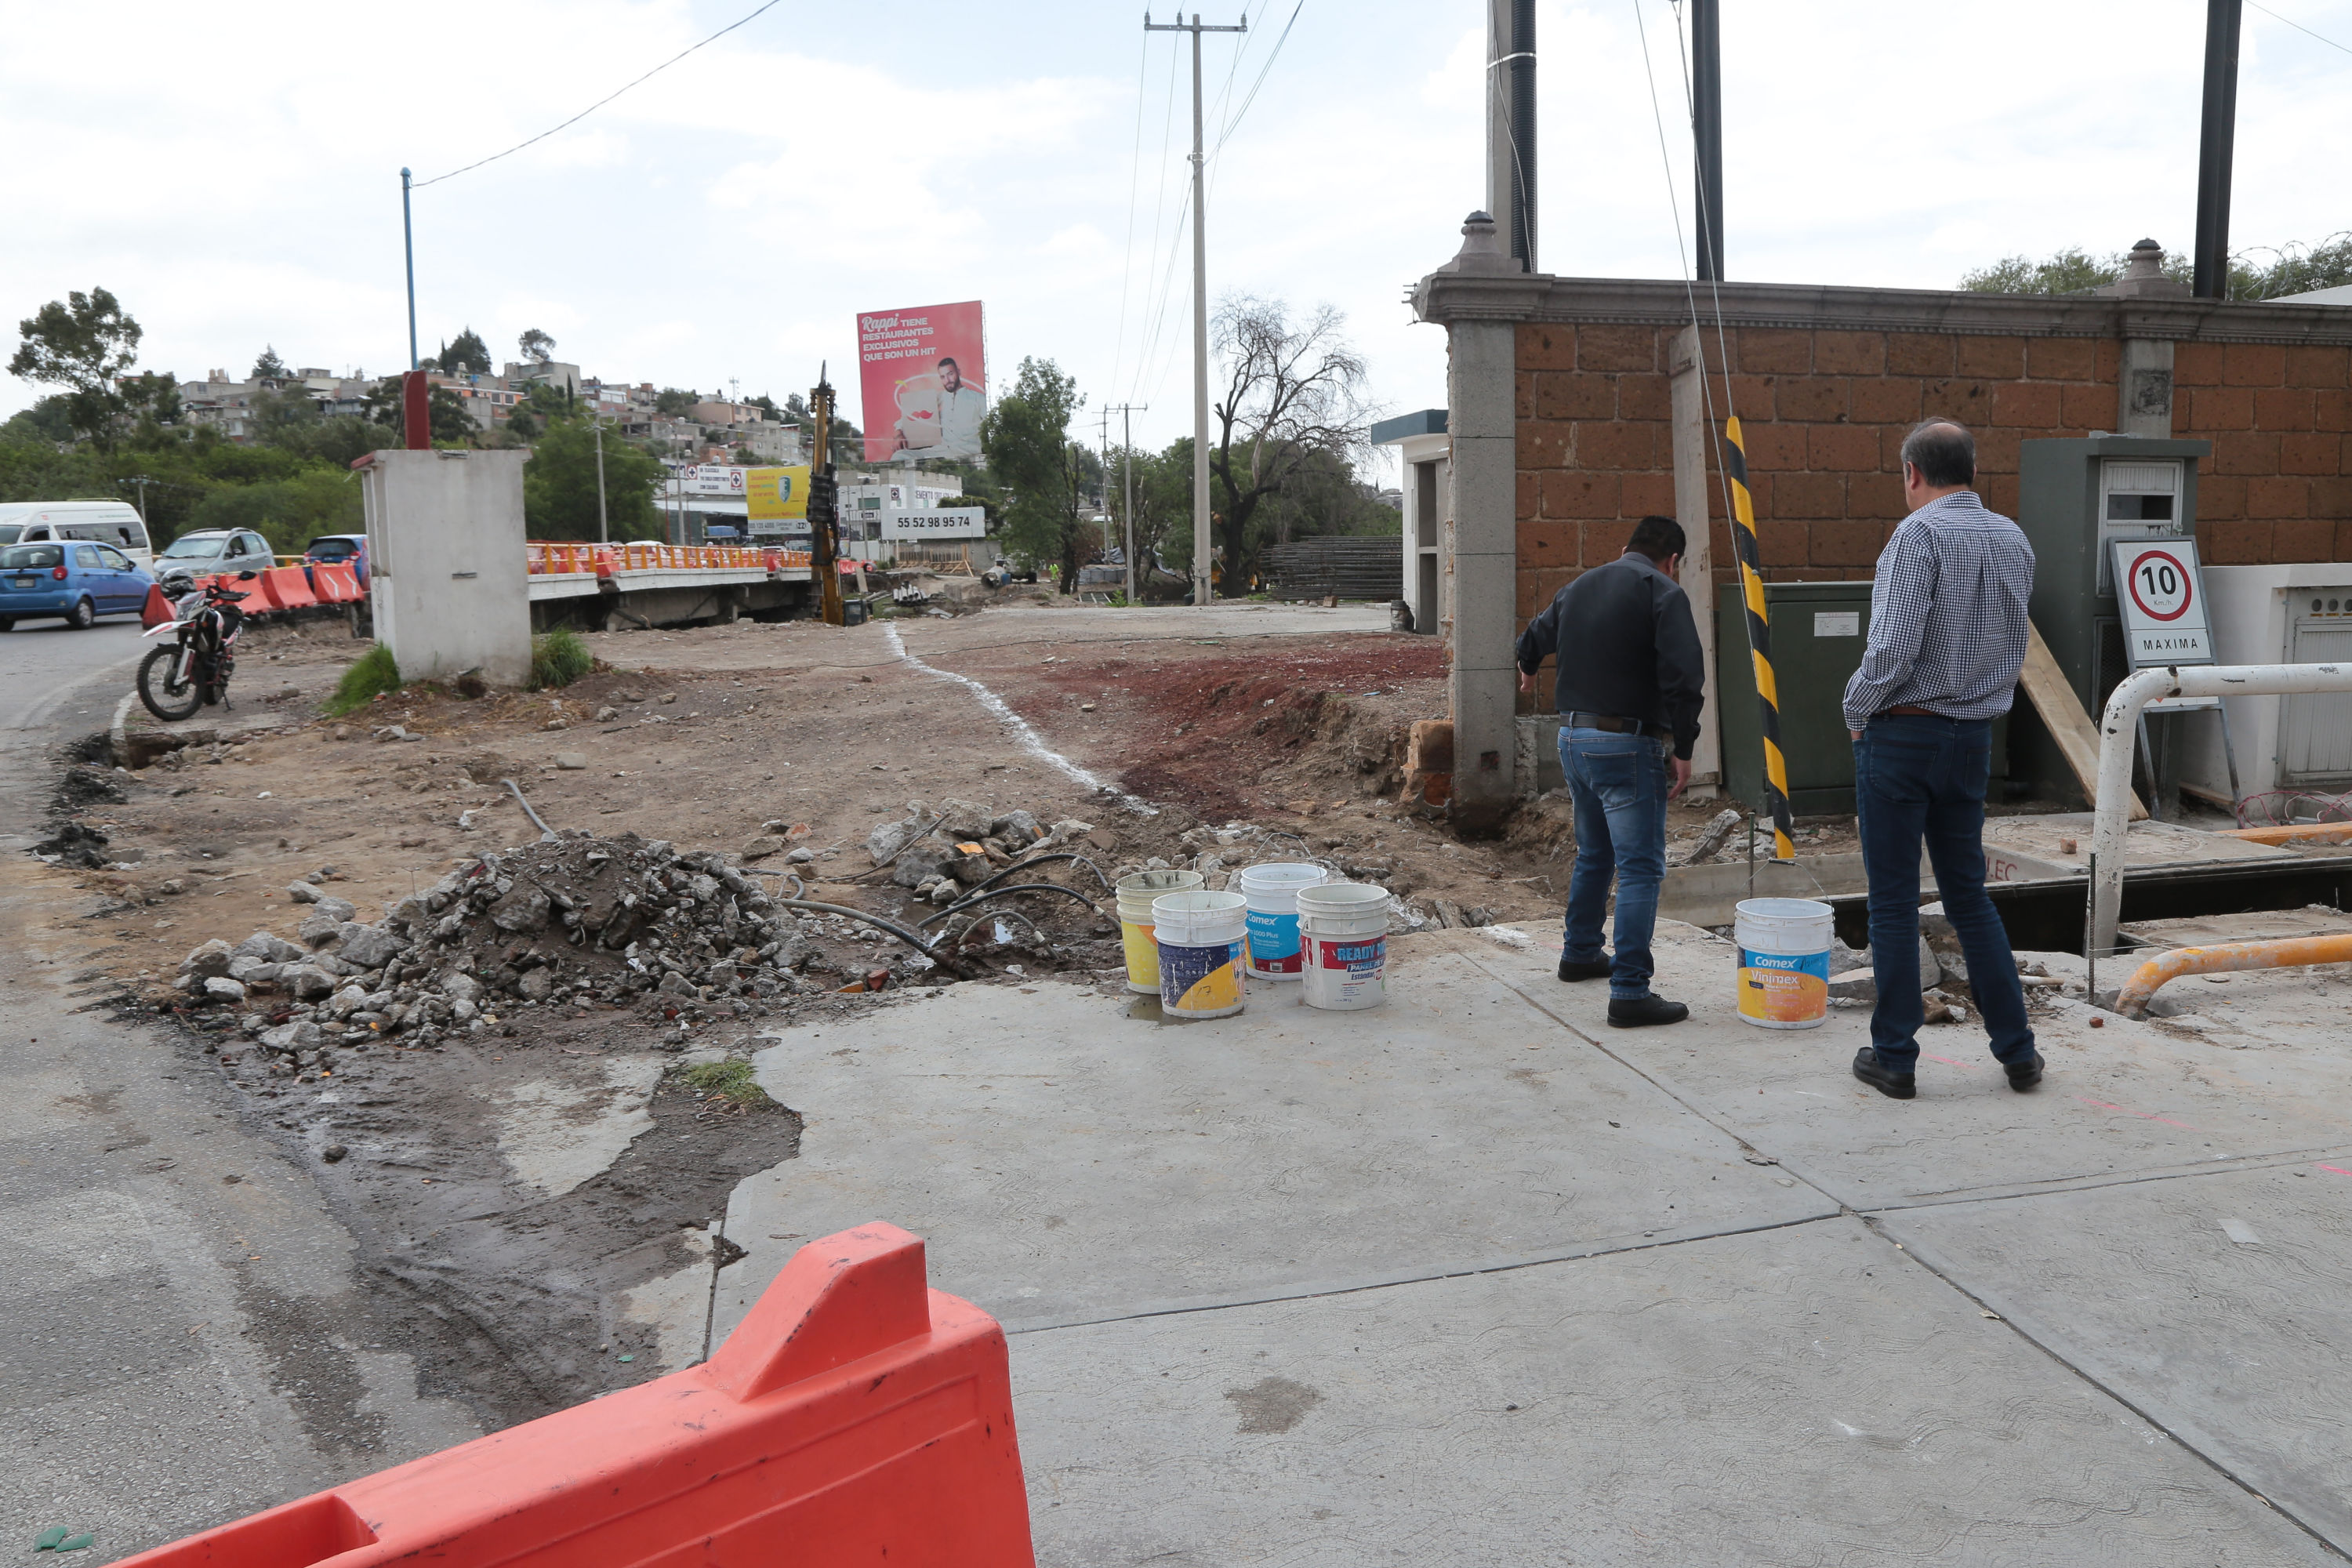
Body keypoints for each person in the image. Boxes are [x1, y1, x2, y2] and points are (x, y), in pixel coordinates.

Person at [1842, 419, 2044, 1100]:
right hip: (1971, 739)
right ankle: (2019, 1052)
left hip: (1903, 736)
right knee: (1968, 895)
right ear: (1971, 470)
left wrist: (1855, 708)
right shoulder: (2012, 538)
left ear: (1911, 473)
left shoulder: (1918, 535)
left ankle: (1894, 1055)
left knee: (1893, 901)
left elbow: (1892, 649)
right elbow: (2015, 643)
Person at [1515, 514, 1704, 1027]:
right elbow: (1684, 679)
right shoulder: (1663, 592)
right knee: (1641, 867)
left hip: (1573, 740)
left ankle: (1579, 954)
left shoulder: (1579, 586)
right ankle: (1629, 991)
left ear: (1625, 547)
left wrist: (1528, 667)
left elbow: (1531, 638)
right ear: (1672, 560)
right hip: (1626, 745)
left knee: (1595, 853)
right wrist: (1685, 746)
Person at [932, 357, 985, 460]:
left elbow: (992, 425)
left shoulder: (978, 399)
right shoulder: (939, 398)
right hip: (942, 452)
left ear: (959, 372)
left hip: (968, 454)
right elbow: (915, 416)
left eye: (950, 374)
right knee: (901, 455)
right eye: (943, 377)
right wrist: (899, 432)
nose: (947, 381)